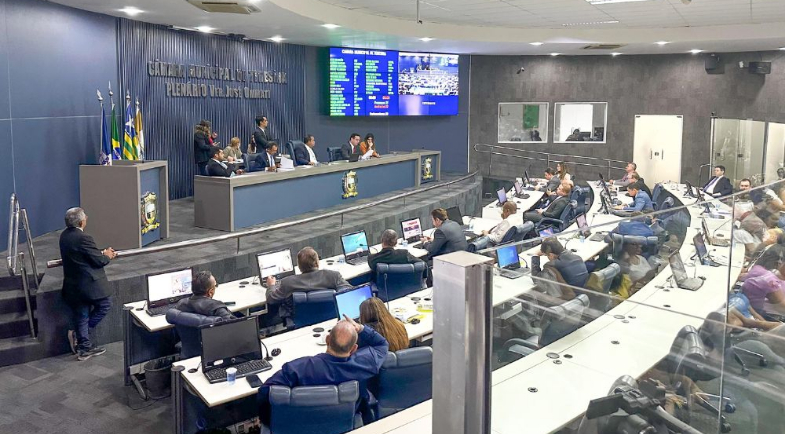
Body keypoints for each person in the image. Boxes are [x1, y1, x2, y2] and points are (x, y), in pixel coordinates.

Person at [258, 315, 388, 424]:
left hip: (301, 426)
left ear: (327, 340)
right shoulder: (365, 363)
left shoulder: (298, 368)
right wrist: (360, 328)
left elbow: (265, 392)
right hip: (344, 424)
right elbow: (382, 344)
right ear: (354, 349)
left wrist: (270, 421)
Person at [60, 207, 117, 361]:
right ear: (81, 222)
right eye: (85, 216)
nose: (87, 217)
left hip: (73, 286)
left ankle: (84, 346)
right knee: (105, 305)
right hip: (89, 286)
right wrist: (107, 255)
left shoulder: (64, 236)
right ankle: (81, 337)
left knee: (82, 314)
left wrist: (98, 253)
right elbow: (99, 261)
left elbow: (83, 254)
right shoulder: (84, 238)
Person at [265, 247, 351, 320]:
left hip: (300, 322)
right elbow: (348, 292)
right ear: (317, 262)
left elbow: (271, 299)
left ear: (299, 266)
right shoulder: (334, 276)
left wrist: (271, 285)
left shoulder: (287, 282)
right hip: (332, 318)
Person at [740, 245, 785, 317]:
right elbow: (781, 306)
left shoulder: (759, 270)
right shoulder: (770, 281)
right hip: (769, 315)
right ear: (778, 263)